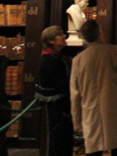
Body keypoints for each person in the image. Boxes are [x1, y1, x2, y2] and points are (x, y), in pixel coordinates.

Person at [70, 19, 117, 156]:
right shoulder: (116, 52)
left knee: (94, 148)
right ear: (100, 32)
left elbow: (75, 93)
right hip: (115, 108)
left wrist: (76, 120)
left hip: (90, 110)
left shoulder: (78, 59)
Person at [36, 25, 73, 156]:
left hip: (62, 101)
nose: (64, 36)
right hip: (55, 104)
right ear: (51, 40)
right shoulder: (48, 59)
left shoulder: (57, 57)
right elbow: (59, 82)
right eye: (60, 34)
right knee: (56, 137)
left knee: (64, 136)